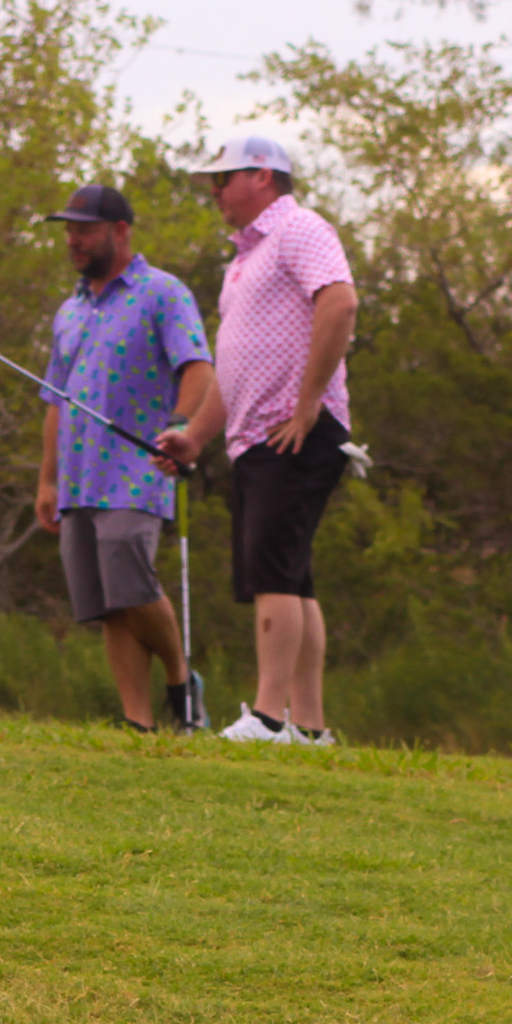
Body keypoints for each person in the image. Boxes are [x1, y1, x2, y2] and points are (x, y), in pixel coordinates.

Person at [154, 135, 359, 745]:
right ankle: (310, 729)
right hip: (256, 439)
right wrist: (195, 437)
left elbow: (340, 303)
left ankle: (268, 718)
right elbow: (233, 365)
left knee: (274, 574)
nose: (214, 191)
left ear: (263, 176)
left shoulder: (299, 228)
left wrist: (306, 405)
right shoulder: (244, 260)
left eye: (224, 178)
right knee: (292, 578)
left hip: (293, 432)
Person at [34, 184, 215, 733]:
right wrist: (46, 480)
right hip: (78, 479)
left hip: (137, 470)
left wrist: (180, 426)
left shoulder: (163, 293)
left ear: (120, 231)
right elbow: (54, 400)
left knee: (132, 579)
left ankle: (181, 683)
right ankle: (139, 723)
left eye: (84, 230)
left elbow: (198, 368)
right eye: (69, 230)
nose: (74, 240)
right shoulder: (69, 311)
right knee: (107, 606)